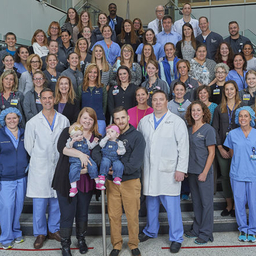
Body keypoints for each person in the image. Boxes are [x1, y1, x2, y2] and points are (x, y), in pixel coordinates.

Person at [138, 90, 189, 254]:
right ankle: (151, 230)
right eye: (155, 100)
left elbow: (184, 147)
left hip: (169, 171)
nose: (158, 102)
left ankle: (176, 238)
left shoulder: (176, 121)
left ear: (167, 101)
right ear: (151, 102)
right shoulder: (144, 121)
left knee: (172, 207)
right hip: (150, 170)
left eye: (161, 99)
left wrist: (181, 169)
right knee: (151, 204)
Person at [95, 106, 145, 256]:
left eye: (123, 117)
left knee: (132, 215)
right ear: (113, 120)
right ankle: (116, 245)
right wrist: (104, 167)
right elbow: (97, 151)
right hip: (111, 182)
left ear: (128, 118)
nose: (120, 121)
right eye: (117, 118)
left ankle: (133, 244)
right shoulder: (110, 133)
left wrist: (118, 170)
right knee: (114, 215)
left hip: (130, 181)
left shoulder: (137, 136)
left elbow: (136, 162)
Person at [24, 88, 70, 249]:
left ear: (54, 99)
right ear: (40, 100)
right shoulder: (33, 123)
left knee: (56, 199)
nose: (48, 101)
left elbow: (67, 142)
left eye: (50, 98)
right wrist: (41, 157)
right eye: (44, 98)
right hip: (40, 167)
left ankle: (53, 229)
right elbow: (29, 147)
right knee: (39, 202)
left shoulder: (63, 120)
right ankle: (40, 233)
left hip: (58, 164)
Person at [52, 107, 101, 255]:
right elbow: (61, 148)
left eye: (90, 119)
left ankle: (81, 239)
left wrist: (85, 170)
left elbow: (98, 160)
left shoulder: (97, 137)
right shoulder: (68, 131)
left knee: (82, 213)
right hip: (66, 181)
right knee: (67, 214)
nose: (87, 121)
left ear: (94, 122)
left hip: (85, 181)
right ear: (79, 118)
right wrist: (81, 155)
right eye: (84, 118)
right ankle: (65, 244)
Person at [185, 100, 216, 244]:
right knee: (196, 202)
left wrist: (204, 172)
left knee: (206, 203)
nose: (195, 113)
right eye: (193, 110)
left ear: (204, 112)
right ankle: (196, 229)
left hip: (204, 172)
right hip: (191, 171)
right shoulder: (189, 128)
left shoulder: (208, 130)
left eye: (198, 110)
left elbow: (211, 153)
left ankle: (206, 233)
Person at [224, 106, 256, 242]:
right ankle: (243, 228)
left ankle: (253, 230)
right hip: (237, 173)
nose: (243, 118)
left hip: (253, 173)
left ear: (251, 118)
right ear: (237, 118)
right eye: (240, 116)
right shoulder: (232, 134)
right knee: (239, 202)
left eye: (246, 116)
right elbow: (232, 153)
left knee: (254, 203)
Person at [212, 80, 244, 218]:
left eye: (231, 89)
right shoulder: (219, 108)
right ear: (224, 92)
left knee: (238, 178)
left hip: (240, 149)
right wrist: (219, 147)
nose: (229, 92)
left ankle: (238, 205)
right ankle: (229, 205)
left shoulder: (242, 106)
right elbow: (215, 129)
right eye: (226, 89)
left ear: (236, 91)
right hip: (223, 147)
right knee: (225, 177)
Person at [0, 108, 29, 250]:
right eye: (8, 118)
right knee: (7, 207)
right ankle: (6, 237)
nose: (12, 121)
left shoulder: (25, 133)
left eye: (14, 118)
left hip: (22, 177)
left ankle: (16, 232)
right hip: (5, 178)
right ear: (4, 120)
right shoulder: (0, 134)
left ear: (19, 119)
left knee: (18, 207)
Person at [66, 122, 99, 196]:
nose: (80, 137)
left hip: (87, 157)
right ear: (71, 136)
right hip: (75, 160)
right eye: (77, 135)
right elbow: (68, 147)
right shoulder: (70, 140)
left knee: (93, 166)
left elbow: (90, 146)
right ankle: (73, 188)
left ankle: (97, 182)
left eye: (81, 134)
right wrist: (72, 142)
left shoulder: (85, 140)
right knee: (73, 171)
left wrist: (94, 142)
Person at [80, 63, 107, 136]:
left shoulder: (102, 87)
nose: (92, 74)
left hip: (99, 120)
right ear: (87, 73)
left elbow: (104, 104)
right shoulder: (81, 87)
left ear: (98, 74)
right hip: (85, 121)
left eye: (95, 72)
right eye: (90, 72)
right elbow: (79, 104)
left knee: (99, 143)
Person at [98, 124, 126, 189]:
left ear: (117, 134)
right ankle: (102, 176)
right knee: (105, 163)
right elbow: (101, 144)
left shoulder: (119, 142)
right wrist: (106, 137)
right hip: (106, 157)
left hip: (115, 158)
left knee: (119, 165)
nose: (109, 133)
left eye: (112, 131)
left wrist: (120, 152)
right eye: (108, 132)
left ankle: (117, 177)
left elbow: (123, 150)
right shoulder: (105, 141)